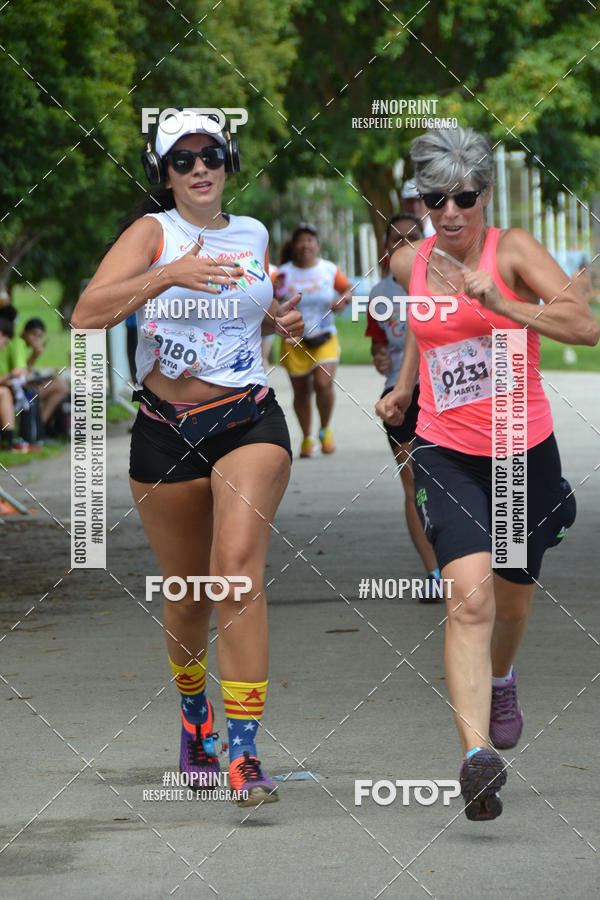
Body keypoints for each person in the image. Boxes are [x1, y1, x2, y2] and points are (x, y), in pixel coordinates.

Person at [72, 109, 304, 807]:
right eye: (183, 160)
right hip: (165, 429)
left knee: (235, 573)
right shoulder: (153, 233)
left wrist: (277, 320)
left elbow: (244, 303)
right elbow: (87, 313)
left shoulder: (253, 233)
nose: (199, 168)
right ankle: (195, 718)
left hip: (247, 418)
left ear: (228, 161)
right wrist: (168, 272)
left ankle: (244, 751)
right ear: (164, 173)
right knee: (189, 596)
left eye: (211, 155)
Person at [377, 126, 598, 821]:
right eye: (436, 198)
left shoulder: (517, 250)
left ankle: (503, 678)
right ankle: (476, 759)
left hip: (522, 451)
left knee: (512, 601)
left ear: (485, 192)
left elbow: (583, 327)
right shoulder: (414, 259)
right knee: (468, 599)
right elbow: (423, 325)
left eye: (464, 197)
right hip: (445, 450)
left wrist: (504, 306)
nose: (451, 213)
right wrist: (407, 388)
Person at [366, 214, 442, 598]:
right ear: (386, 249)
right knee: (414, 482)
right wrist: (379, 355)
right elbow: (379, 344)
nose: (405, 245)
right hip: (400, 396)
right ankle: (435, 573)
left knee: (454, 479)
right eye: (396, 239)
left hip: (446, 394)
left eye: (413, 237)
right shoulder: (379, 295)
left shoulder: (443, 283)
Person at [278, 224, 352, 457]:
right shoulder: (284, 273)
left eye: (311, 239)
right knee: (301, 393)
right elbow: (271, 297)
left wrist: (342, 300)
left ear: (317, 245)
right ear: (294, 245)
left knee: (323, 384)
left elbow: (349, 289)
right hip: (294, 340)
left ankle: (325, 430)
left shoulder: (328, 269)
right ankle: (307, 438)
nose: (306, 244)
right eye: (301, 240)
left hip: (324, 336)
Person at [21, 318, 69, 434]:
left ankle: (39, 425)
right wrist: (35, 356)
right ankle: (39, 427)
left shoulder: (23, 346)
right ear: (25, 332)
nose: (36, 340)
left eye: (39, 336)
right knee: (61, 387)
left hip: (26, 386)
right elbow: (21, 373)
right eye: (34, 335)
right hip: (22, 389)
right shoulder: (19, 345)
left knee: (59, 384)